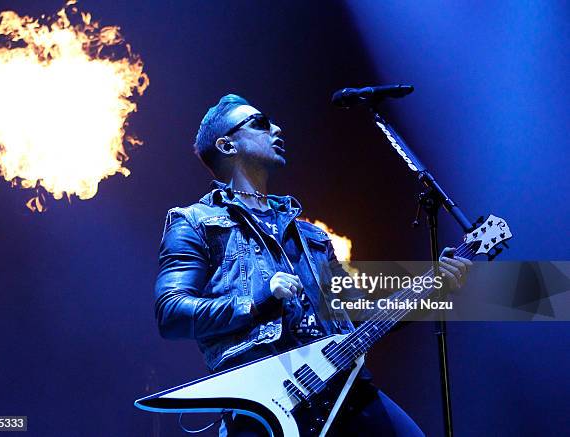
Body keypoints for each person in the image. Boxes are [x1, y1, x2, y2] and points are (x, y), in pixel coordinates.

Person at [154, 94, 471, 436]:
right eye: (260, 123)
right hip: (266, 403)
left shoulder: (311, 236)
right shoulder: (195, 222)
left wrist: (433, 286)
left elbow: (358, 315)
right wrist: (259, 300)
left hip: (344, 387)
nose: (277, 128)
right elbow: (171, 313)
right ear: (227, 145)